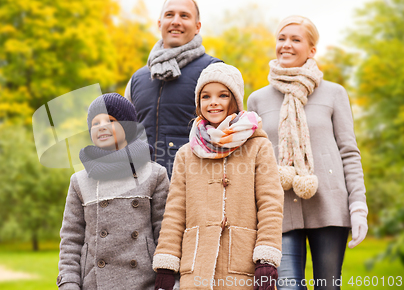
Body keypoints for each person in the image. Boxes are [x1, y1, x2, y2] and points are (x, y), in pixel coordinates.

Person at [247, 16, 368, 290]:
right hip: (280, 210)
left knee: (328, 287)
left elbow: (349, 152)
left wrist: (358, 206)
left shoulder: (334, 93)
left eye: (295, 39)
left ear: (312, 50)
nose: (286, 45)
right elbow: (257, 159)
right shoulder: (257, 99)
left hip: (329, 206)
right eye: (281, 38)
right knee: (289, 286)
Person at [152, 63, 284, 290]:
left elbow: (270, 204)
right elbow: (175, 211)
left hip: (240, 266)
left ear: (235, 101)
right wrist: (166, 262)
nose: (213, 102)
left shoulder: (258, 147)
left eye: (222, 95)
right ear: (198, 103)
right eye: (206, 96)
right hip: (196, 266)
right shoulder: (187, 153)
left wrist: (266, 258)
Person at [56, 93, 170, 289]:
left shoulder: (155, 174)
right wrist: (68, 282)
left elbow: (165, 233)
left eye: (110, 120)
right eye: (95, 122)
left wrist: (167, 279)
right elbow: (71, 239)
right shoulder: (79, 180)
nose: (101, 126)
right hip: (94, 283)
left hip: (144, 282)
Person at [124, 0, 222, 178]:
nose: (176, 21)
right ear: (160, 23)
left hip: (193, 186)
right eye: (170, 15)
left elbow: (227, 133)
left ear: (197, 26)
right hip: (142, 190)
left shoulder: (213, 70)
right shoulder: (137, 79)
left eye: (184, 16)